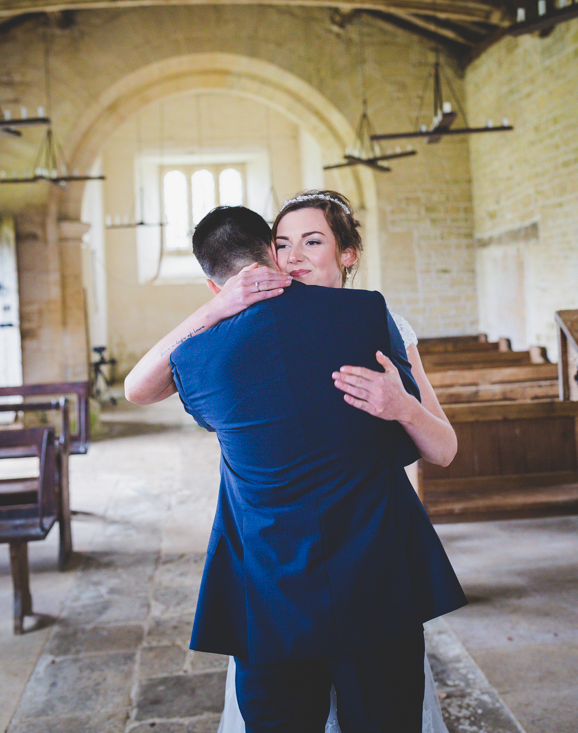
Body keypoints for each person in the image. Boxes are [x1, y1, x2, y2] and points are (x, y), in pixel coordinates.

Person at [125, 196, 466, 733]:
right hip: (296, 579)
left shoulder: (376, 319)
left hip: (349, 571)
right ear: (267, 255)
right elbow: (138, 388)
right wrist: (220, 308)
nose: (294, 257)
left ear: (347, 254)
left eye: (313, 242)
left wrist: (400, 405)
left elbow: (443, 448)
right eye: (283, 244)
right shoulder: (239, 336)